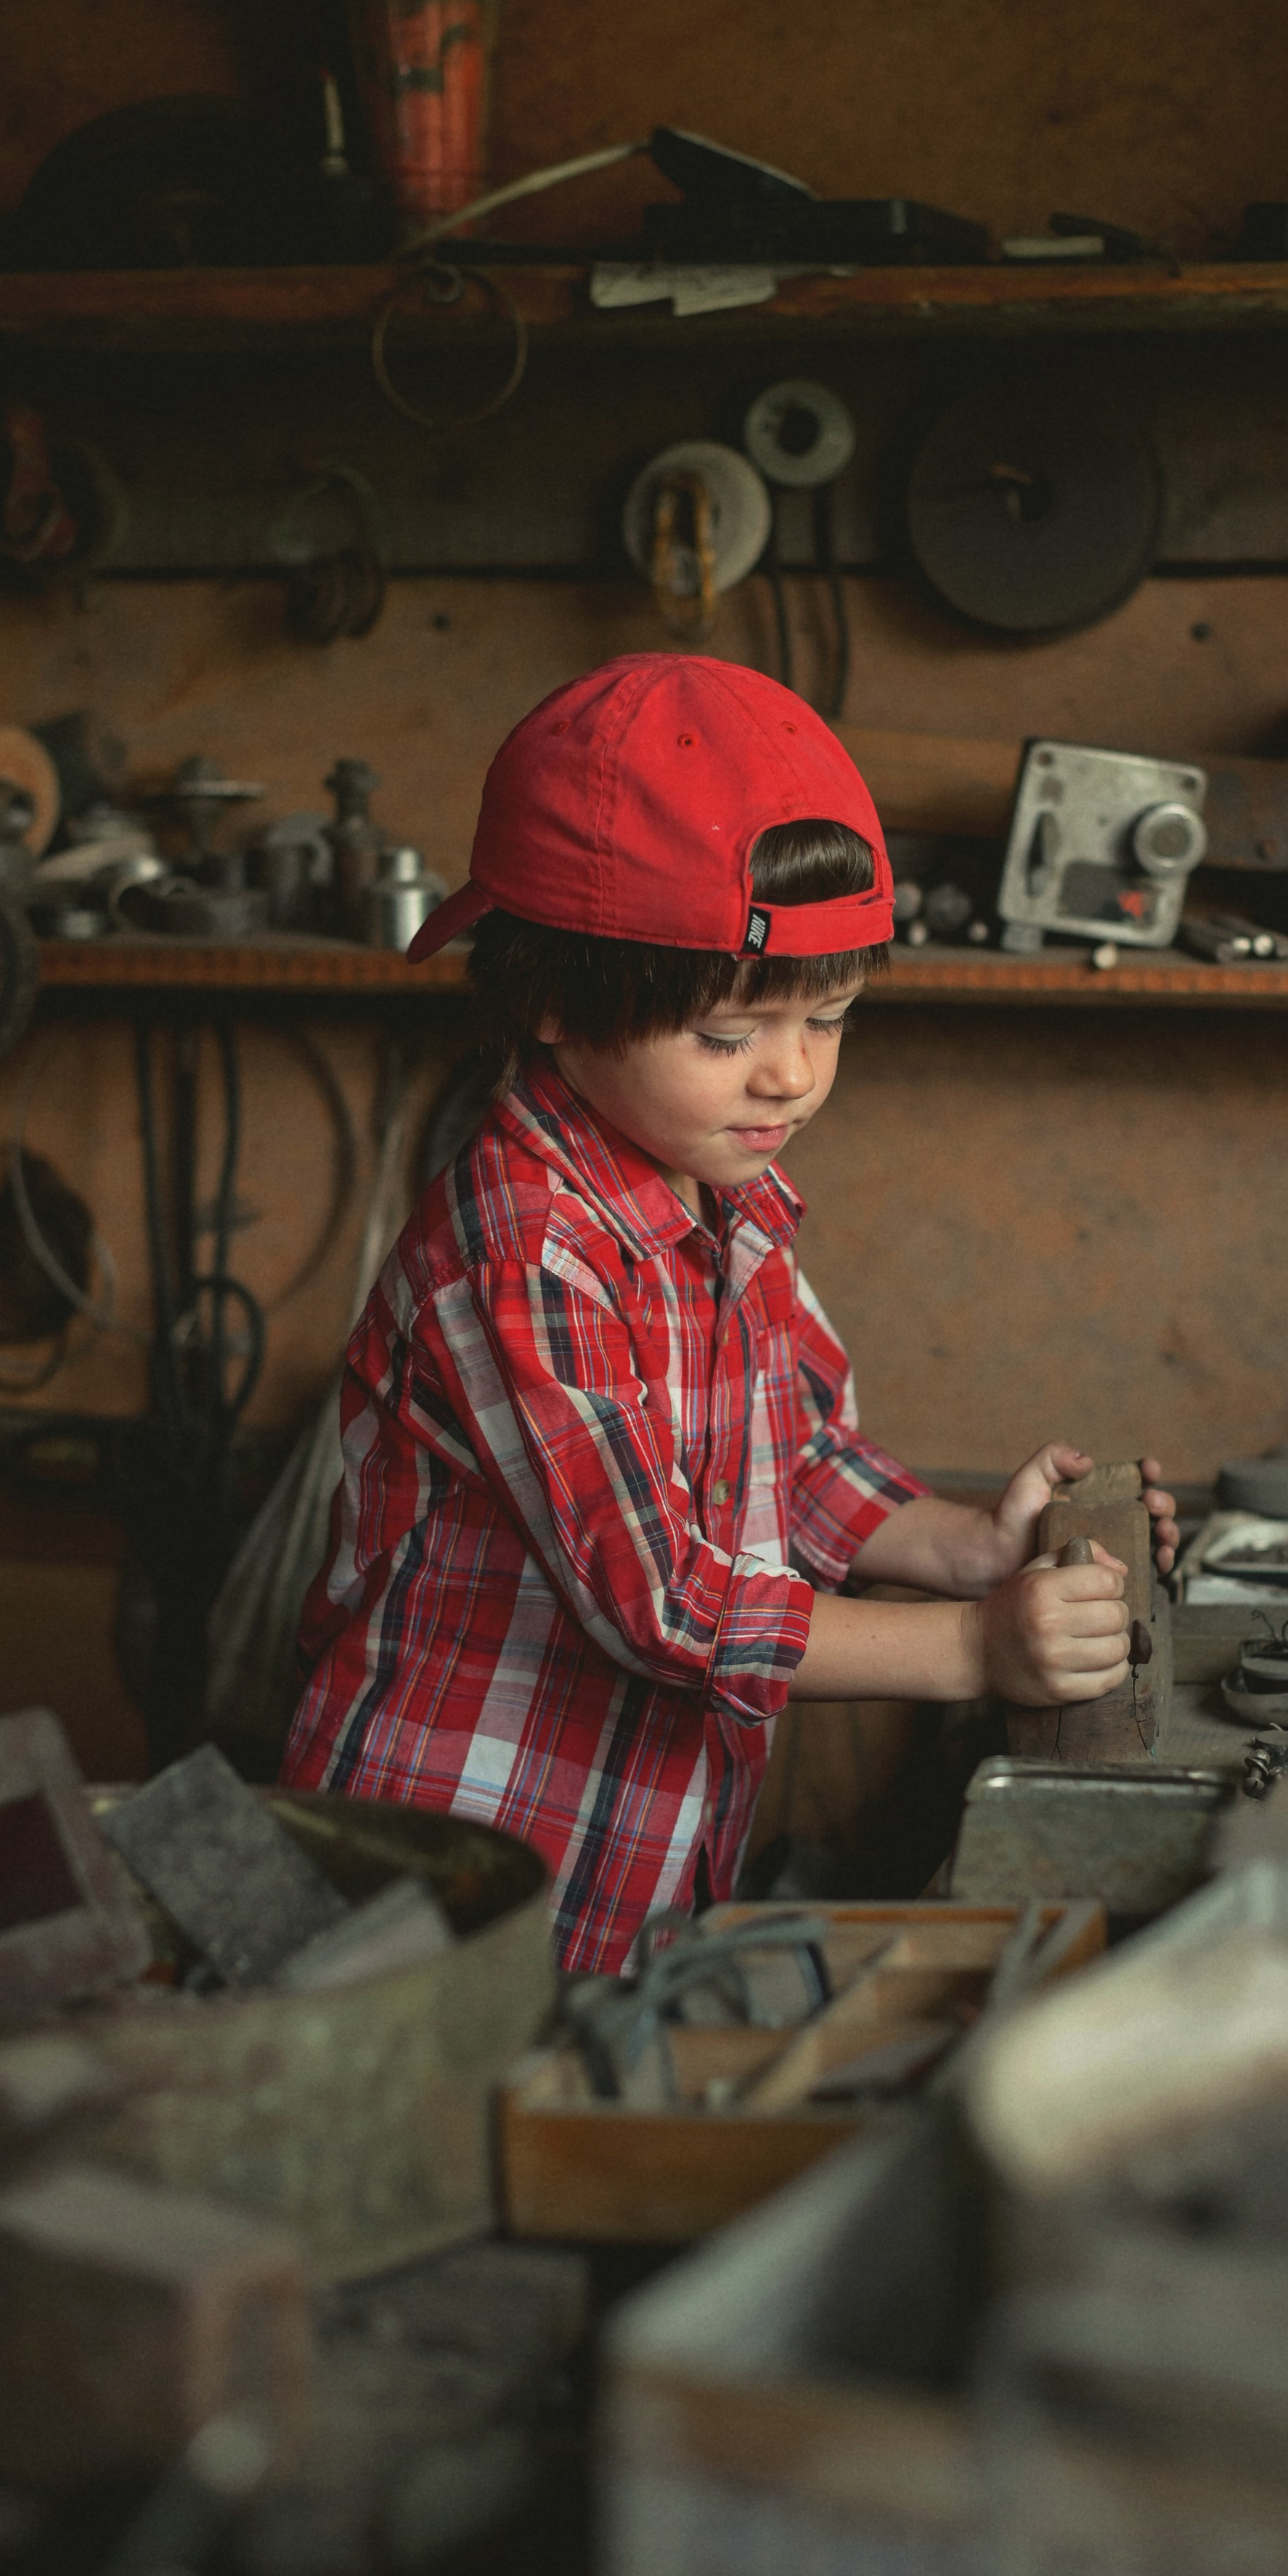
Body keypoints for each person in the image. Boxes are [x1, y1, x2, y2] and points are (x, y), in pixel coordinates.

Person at [282, 656, 1176, 1971]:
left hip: (643, 1867)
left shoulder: (731, 1203)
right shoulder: (526, 1255)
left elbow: (796, 1464)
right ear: (547, 999)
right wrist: (978, 1651)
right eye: (726, 1035)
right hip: (447, 1886)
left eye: (833, 1018)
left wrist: (972, 1549)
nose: (793, 1076)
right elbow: (666, 1603)